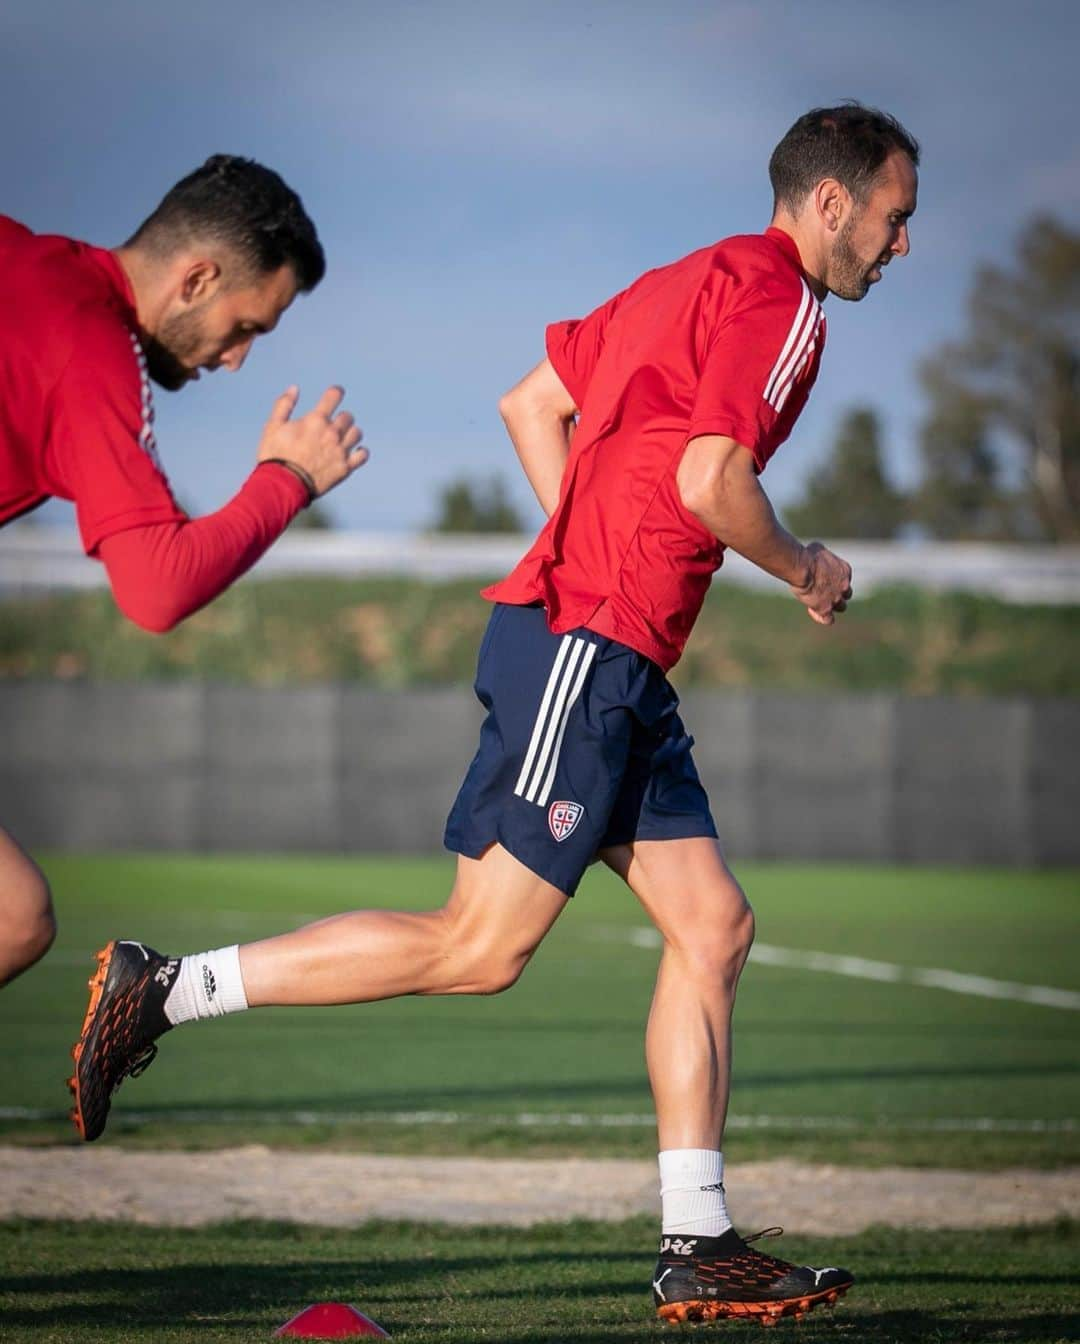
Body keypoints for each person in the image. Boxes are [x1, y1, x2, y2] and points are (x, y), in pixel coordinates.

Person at [70, 105, 918, 1325]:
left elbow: (531, 405)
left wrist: (596, 557)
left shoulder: (688, 277)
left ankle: (698, 1240)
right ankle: (166, 989)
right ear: (829, 202)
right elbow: (710, 482)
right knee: (481, 947)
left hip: (602, 651)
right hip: (591, 648)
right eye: (893, 219)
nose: (898, 248)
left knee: (714, 928)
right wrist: (805, 569)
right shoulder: (784, 303)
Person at [0, 155, 367, 986]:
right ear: (196, 278)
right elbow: (157, 587)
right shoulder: (88, 351)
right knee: (12, 920)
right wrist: (289, 480)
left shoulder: (19, 254)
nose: (235, 359)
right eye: (247, 327)